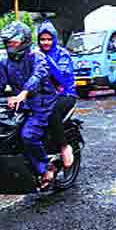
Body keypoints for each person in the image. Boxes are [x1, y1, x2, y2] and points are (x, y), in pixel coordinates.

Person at [0, 21, 58, 189]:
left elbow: (38, 75)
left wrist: (24, 93)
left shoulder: (36, 56)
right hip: (21, 104)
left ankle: (46, 167)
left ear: (24, 40)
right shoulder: (5, 62)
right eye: (8, 42)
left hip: (41, 103)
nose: (10, 45)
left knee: (28, 135)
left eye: (14, 41)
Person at [37, 20, 77, 169]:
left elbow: (63, 79)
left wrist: (46, 59)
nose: (46, 42)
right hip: (42, 95)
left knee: (51, 110)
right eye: (42, 39)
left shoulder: (62, 54)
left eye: (49, 39)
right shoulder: (34, 53)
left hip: (65, 95)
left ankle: (64, 146)